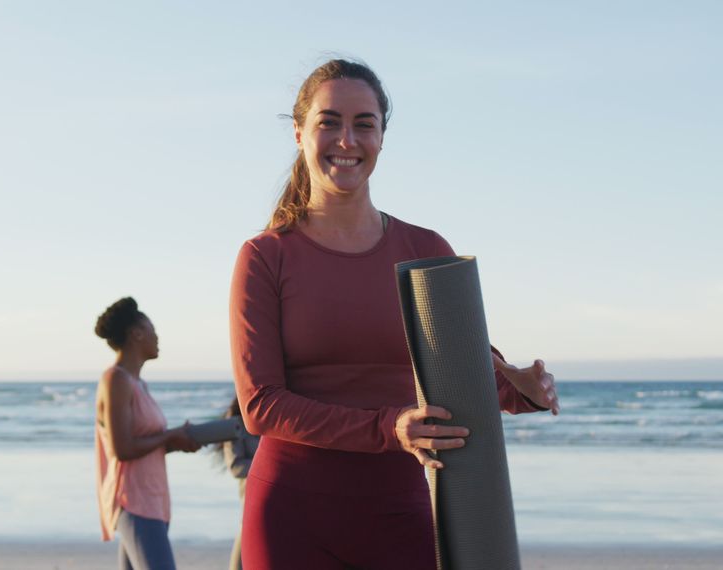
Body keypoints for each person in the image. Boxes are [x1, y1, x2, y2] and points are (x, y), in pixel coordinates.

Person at [228, 59, 560, 570]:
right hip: (291, 516)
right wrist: (389, 429)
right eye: (329, 122)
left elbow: (458, 381)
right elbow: (261, 406)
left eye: (364, 123)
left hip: (401, 514)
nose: (347, 139)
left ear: (383, 136)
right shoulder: (265, 256)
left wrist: (523, 391)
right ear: (299, 132)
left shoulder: (426, 249)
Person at [94, 297, 201, 570]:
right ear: (136, 334)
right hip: (134, 501)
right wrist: (169, 436)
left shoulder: (138, 383)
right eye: (153, 330)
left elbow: (146, 443)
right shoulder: (115, 379)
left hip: (153, 500)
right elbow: (123, 449)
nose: (158, 338)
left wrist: (179, 440)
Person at [220, 397, 260, 570]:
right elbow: (236, 466)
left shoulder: (274, 414)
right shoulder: (235, 419)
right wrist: (271, 466)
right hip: (251, 503)